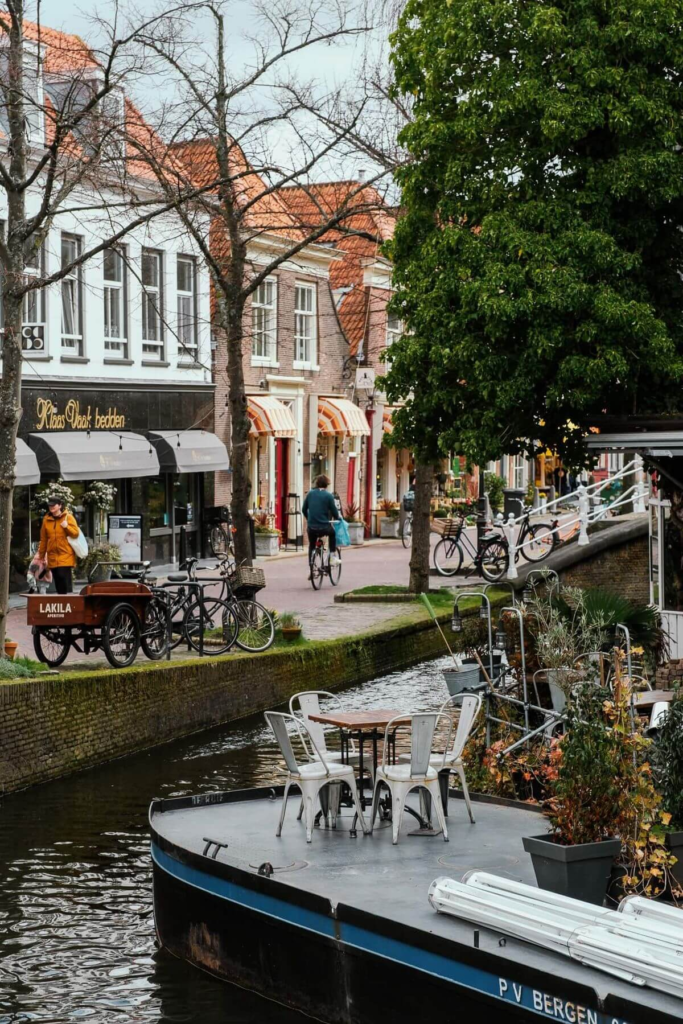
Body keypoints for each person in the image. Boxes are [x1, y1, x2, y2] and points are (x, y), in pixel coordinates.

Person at [37, 495, 80, 594]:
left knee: (62, 576)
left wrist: (66, 527)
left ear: (60, 505)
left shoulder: (68, 517)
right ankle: (61, 600)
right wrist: (41, 556)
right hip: (52, 555)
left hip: (65, 553)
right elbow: (43, 539)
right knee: (57, 579)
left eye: (53, 505)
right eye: (49, 505)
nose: (51, 507)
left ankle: (65, 600)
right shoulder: (46, 520)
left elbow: (75, 533)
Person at [303, 475, 341, 568]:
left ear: (317, 483)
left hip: (311, 527)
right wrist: (339, 518)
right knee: (332, 534)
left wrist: (309, 519)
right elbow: (334, 512)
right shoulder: (329, 496)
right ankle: (332, 557)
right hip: (324, 527)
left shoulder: (310, 494)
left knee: (312, 545)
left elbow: (304, 509)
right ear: (327, 485)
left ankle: (311, 567)